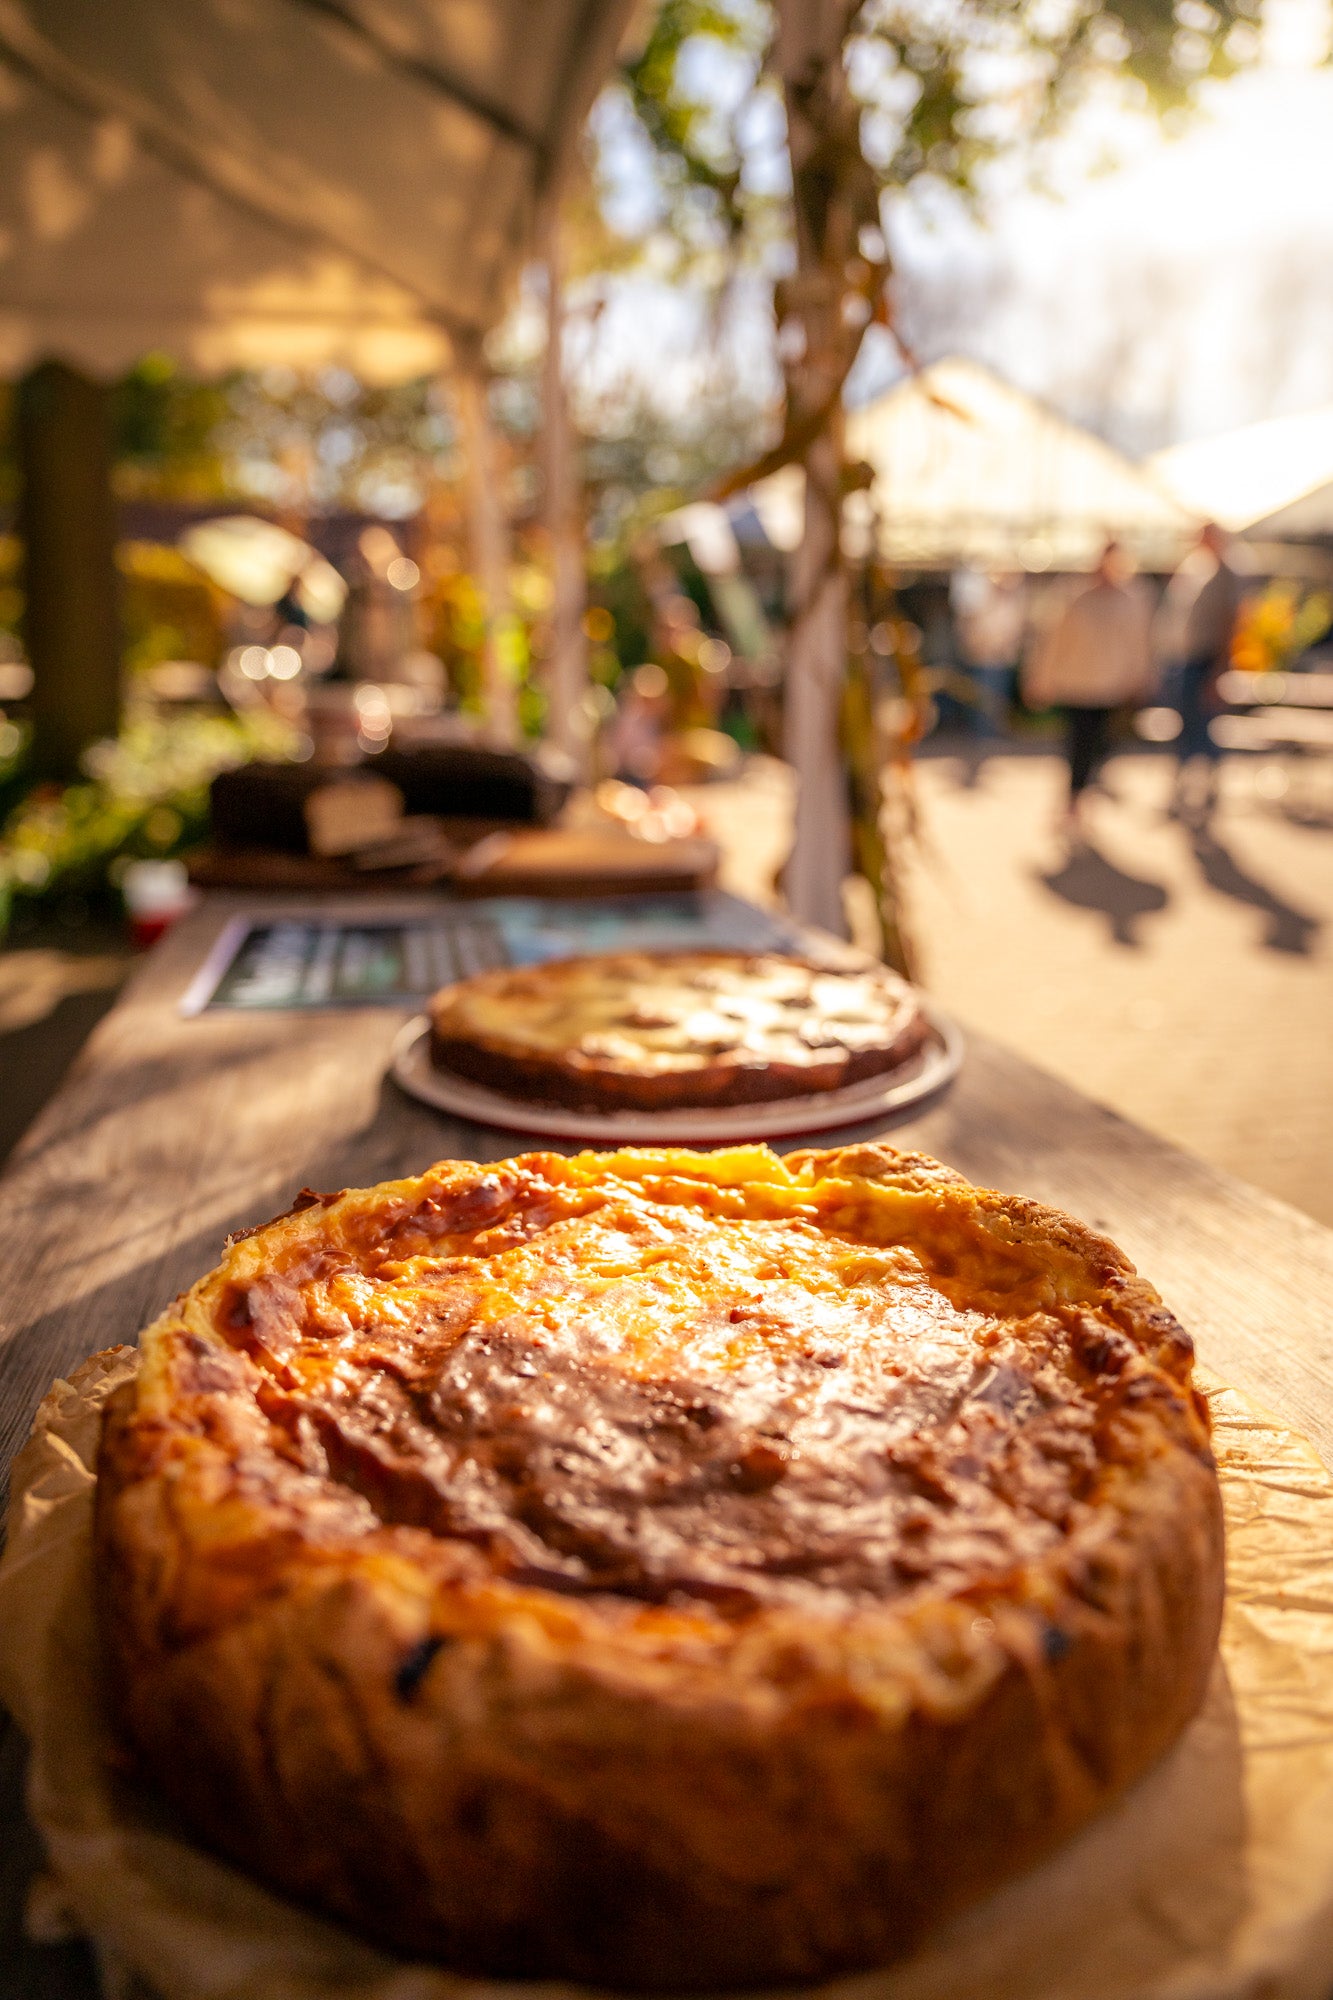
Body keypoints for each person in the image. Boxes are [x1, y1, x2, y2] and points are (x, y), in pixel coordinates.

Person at [1023, 541, 1155, 833]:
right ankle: (1074, 798)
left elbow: (1138, 644)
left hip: (1109, 686)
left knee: (1099, 744)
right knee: (1078, 743)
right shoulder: (1074, 594)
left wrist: (1141, 677)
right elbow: (1052, 639)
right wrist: (1040, 677)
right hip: (1076, 683)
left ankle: (1080, 794)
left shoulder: (1130, 599)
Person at [1163, 522, 1241, 818]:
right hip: (1189, 659)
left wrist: (1219, 670)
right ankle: (1186, 788)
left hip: (1205, 662)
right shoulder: (1199, 569)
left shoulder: (1224, 574)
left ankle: (1204, 788)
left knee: (1202, 725)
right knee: (1188, 725)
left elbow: (1229, 624)